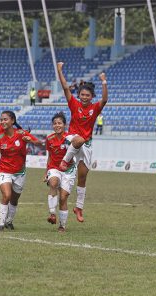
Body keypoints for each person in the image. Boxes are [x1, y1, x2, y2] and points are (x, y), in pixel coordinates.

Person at [56, 62, 108, 222]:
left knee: (83, 177)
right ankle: (64, 162)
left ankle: (78, 207)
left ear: (92, 97)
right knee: (78, 139)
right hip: (72, 138)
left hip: (86, 144)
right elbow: (65, 88)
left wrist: (104, 82)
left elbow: (105, 99)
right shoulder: (74, 104)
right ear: (79, 95)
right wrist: (59, 70)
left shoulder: (95, 108)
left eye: (87, 95)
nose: (84, 97)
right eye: (82, 95)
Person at [0, 110, 42, 231]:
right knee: (7, 195)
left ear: (12, 121)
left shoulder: (21, 133)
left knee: (14, 199)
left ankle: (9, 221)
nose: (3, 122)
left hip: (19, 172)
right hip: (4, 170)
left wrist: (30, 140)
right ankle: (0, 224)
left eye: (5, 119)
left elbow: (39, 143)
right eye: (1, 119)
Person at [43, 112, 76, 232]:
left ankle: (62, 225)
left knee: (63, 198)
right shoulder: (49, 138)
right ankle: (52, 213)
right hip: (54, 168)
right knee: (53, 183)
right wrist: (46, 172)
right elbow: (50, 156)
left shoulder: (70, 139)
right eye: (55, 123)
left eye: (60, 123)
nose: (57, 125)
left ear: (64, 125)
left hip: (68, 170)